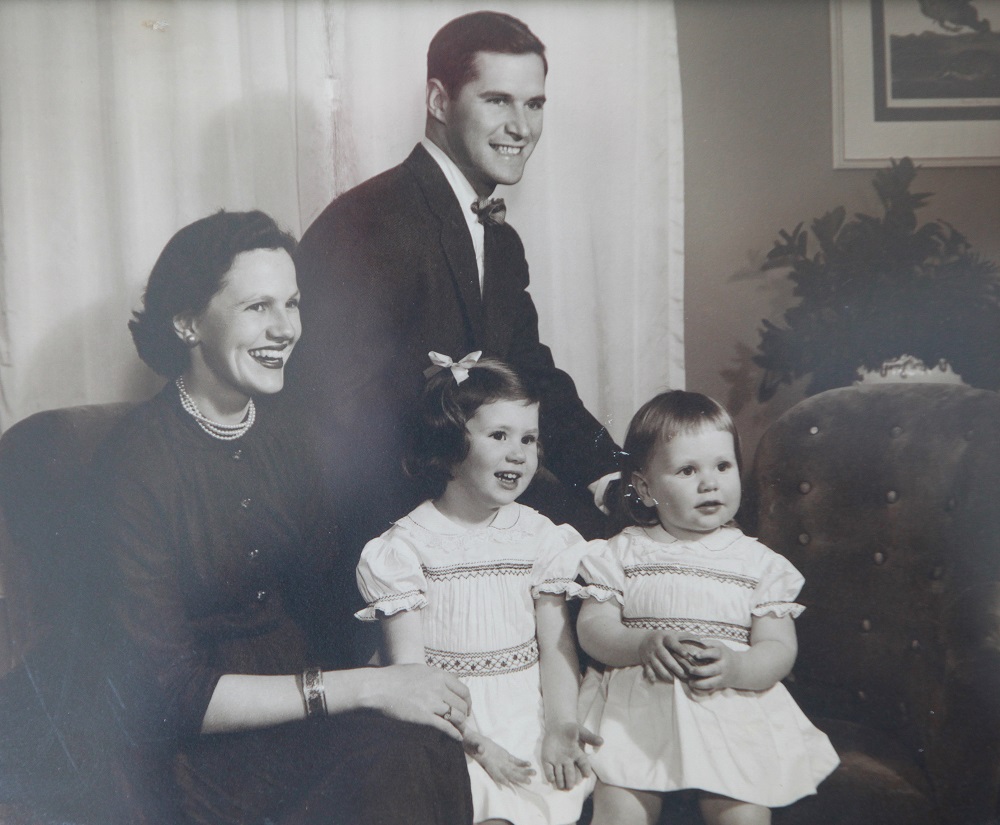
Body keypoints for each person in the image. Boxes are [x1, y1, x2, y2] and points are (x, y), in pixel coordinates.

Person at [97, 210, 474, 824]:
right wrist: (366, 688)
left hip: (308, 712)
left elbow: (340, 595)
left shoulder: (294, 434)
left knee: (423, 745)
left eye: (292, 304)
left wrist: (404, 673)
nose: (284, 330)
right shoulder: (136, 462)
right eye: (256, 307)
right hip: (199, 747)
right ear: (188, 323)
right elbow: (167, 693)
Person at [286, 11, 621, 611]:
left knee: (635, 562)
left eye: (535, 104)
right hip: (385, 540)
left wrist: (609, 475)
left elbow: (530, 373)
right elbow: (334, 423)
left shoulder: (498, 236)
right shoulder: (369, 222)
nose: (521, 127)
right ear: (439, 100)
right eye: (497, 101)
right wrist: (447, 546)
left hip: (466, 506)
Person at [574, 391, 840, 825]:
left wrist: (738, 667)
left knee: (744, 812)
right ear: (645, 487)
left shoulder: (761, 564)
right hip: (637, 709)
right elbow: (594, 628)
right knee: (619, 807)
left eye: (723, 465)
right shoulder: (620, 553)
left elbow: (777, 648)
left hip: (730, 707)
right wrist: (639, 644)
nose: (709, 482)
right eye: (687, 470)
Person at [355, 353, 598, 825]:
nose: (519, 453)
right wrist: (478, 743)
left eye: (529, 438)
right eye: (499, 436)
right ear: (450, 444)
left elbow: (555, 643)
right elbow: (413, 678)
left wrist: (560, 723)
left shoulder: (540, 535)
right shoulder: (406, 547)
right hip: (447, 727)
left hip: (526, 714)